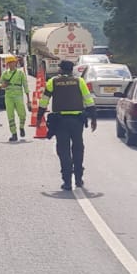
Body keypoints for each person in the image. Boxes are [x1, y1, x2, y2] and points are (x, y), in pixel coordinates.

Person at [43, 58, 96, 191]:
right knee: (78, 148)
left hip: (60, 122)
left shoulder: (53, 82)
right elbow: (89, 100)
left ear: (61, 69)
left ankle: (67, 181)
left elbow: (44, 101)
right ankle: (78, 179)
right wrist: (94, 119)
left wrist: (39, 117)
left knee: (63, 150)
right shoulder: (79, 81)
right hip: (77, 121)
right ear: (71, 70)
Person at [0, 55, 29, 142]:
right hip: (8, 96)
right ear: (7, 64)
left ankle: (21, 127)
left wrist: (28, 99)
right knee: (10, 116)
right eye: (9, 63)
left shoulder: (20, 73)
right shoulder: (5, 73)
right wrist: (2, 86)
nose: (11, 64)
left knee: (22, 114)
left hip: (18, 96)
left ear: (15, 63)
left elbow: (25, 85)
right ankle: (14, 133)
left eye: (13, 62)